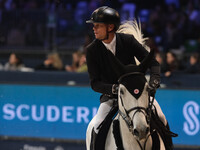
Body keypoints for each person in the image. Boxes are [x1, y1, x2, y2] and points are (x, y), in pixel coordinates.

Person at [86, 6, 167, 149]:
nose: (94, 29)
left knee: (160, 117)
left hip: (137, 92)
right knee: (96, 125)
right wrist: (114, 88)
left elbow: (152, 62)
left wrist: (154, 79)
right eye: (94, 26)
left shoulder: (128, 41)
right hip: (112, 96)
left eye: (98, 26)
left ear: (110, 27)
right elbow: (95, 83)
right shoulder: (92, 50)